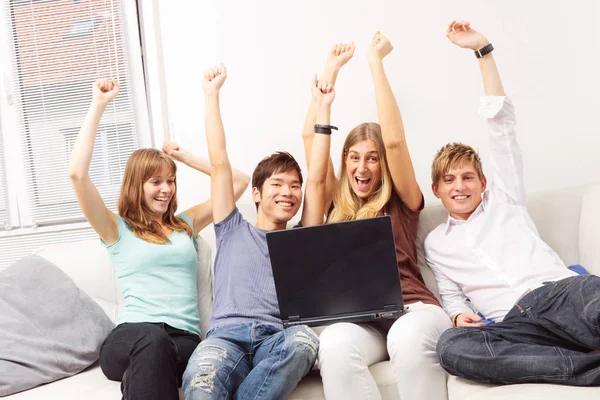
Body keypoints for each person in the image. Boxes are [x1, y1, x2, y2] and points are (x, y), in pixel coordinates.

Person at [426, 20, 600, 386]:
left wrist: (482, 51)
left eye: (468, 177)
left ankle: (581, 363)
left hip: (559, 294)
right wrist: (457, 317)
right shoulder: (436, 243)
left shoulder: (505, 198)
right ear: (437, 189)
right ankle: (586, 367)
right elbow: (451, 295)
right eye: (450, 180)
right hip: (514, 325)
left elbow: (501, 125)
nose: (460, 187)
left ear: (483, 182)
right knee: (451, 348)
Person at [68, 79, 250, 400]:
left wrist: (186, 158)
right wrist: (98, 105)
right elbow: (77, 175)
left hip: (183, 341)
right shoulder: (116, 228)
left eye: (171, 181)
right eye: (156, 181)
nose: (166, 189)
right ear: (137, 185)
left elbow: (237, 182)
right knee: (152, 341)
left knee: (158, 353)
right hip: (129, 338)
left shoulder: (185, 225)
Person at [302, 34, 452, 400]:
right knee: (334, 344)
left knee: (406, 336)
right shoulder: (336, 209)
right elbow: (312, 149)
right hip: (360, 321)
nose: (362, 166)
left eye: (372, 157)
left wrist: (375, 63)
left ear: (383, 164)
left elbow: (396, 142)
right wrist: (327, 82)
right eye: (354, 157)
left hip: (412, 310)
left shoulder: (401, 200)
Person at [182, 64, 322, 399]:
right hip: (225, 337)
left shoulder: (301, 237)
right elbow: (219, 164)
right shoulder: (231, 226)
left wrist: (320, 102)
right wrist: (211, 95)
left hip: (277, 337)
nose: (287, 192)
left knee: (304, 341)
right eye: (277, 183)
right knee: (202, 381)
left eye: (294, 186)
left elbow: (318, 178)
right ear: (256, 193)